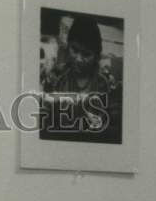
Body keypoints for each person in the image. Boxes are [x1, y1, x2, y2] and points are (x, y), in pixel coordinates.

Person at [40, 13, 122, 144]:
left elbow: (116, 127)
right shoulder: (55, 77)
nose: (78, 59)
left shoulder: (107, 83)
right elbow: (44, 120)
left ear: (96, 56)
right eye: (75, 50)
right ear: (68, 46)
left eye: (86, 54)